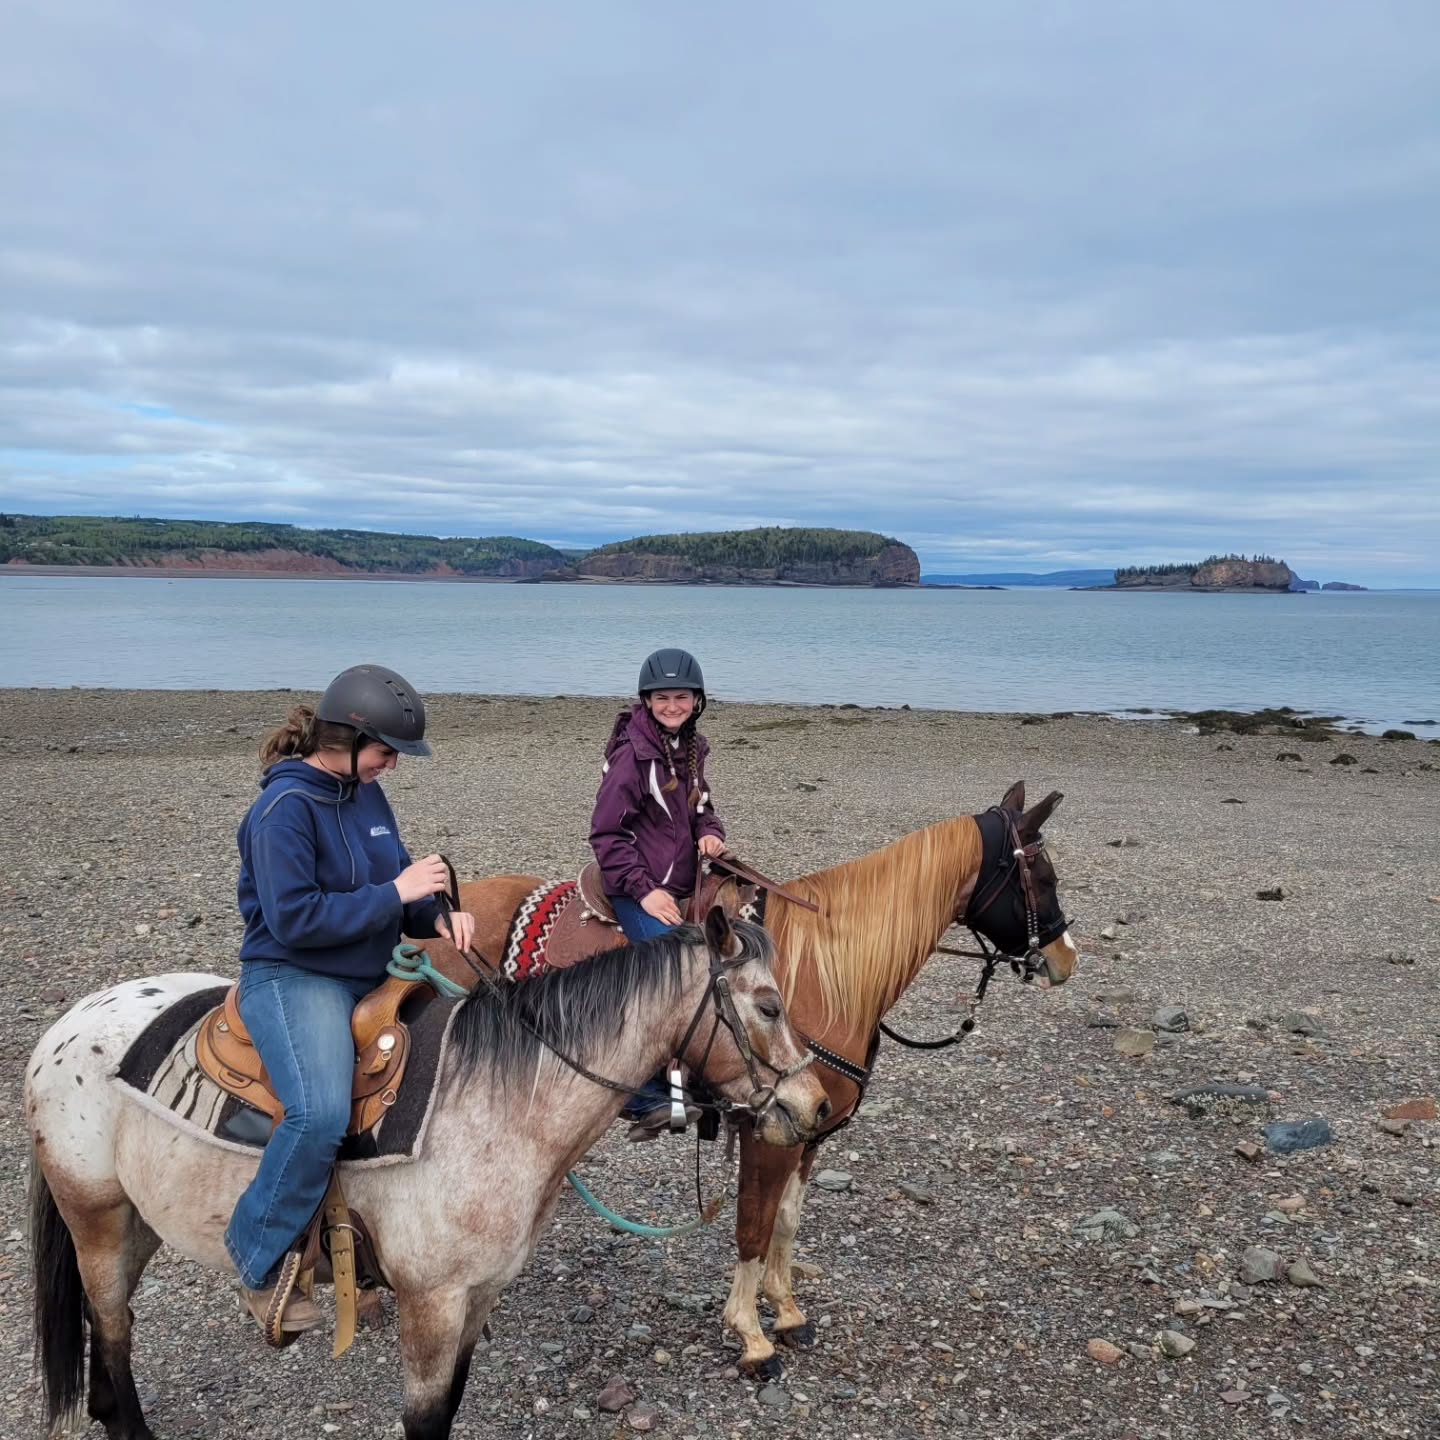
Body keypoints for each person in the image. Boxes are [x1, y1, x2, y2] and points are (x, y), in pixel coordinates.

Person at [224, 664, 475, 1336]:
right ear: (349, 737)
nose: (391, 766)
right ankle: (257, 1260)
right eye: (387, 752)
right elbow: (295, 921)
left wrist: (437, 913)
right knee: (319, 1113)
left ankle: (374, 1249)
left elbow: (398, 877)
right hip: (295, 974)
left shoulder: (364, 795)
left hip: (369, 971)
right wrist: (398, 894)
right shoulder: (281, 811)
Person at [589, 647, 727, 1138]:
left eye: (682, 697)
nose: (673, 705)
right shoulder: (632, 755)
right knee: (665, 973)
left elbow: (702, 806)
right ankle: (645, 1094)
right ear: (646, 702)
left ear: (696, 701)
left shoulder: (688, 749)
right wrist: (645, 892)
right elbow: (606, 834)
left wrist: (711, 832)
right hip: (636, 886)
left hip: (683, 880)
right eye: (662, 697)